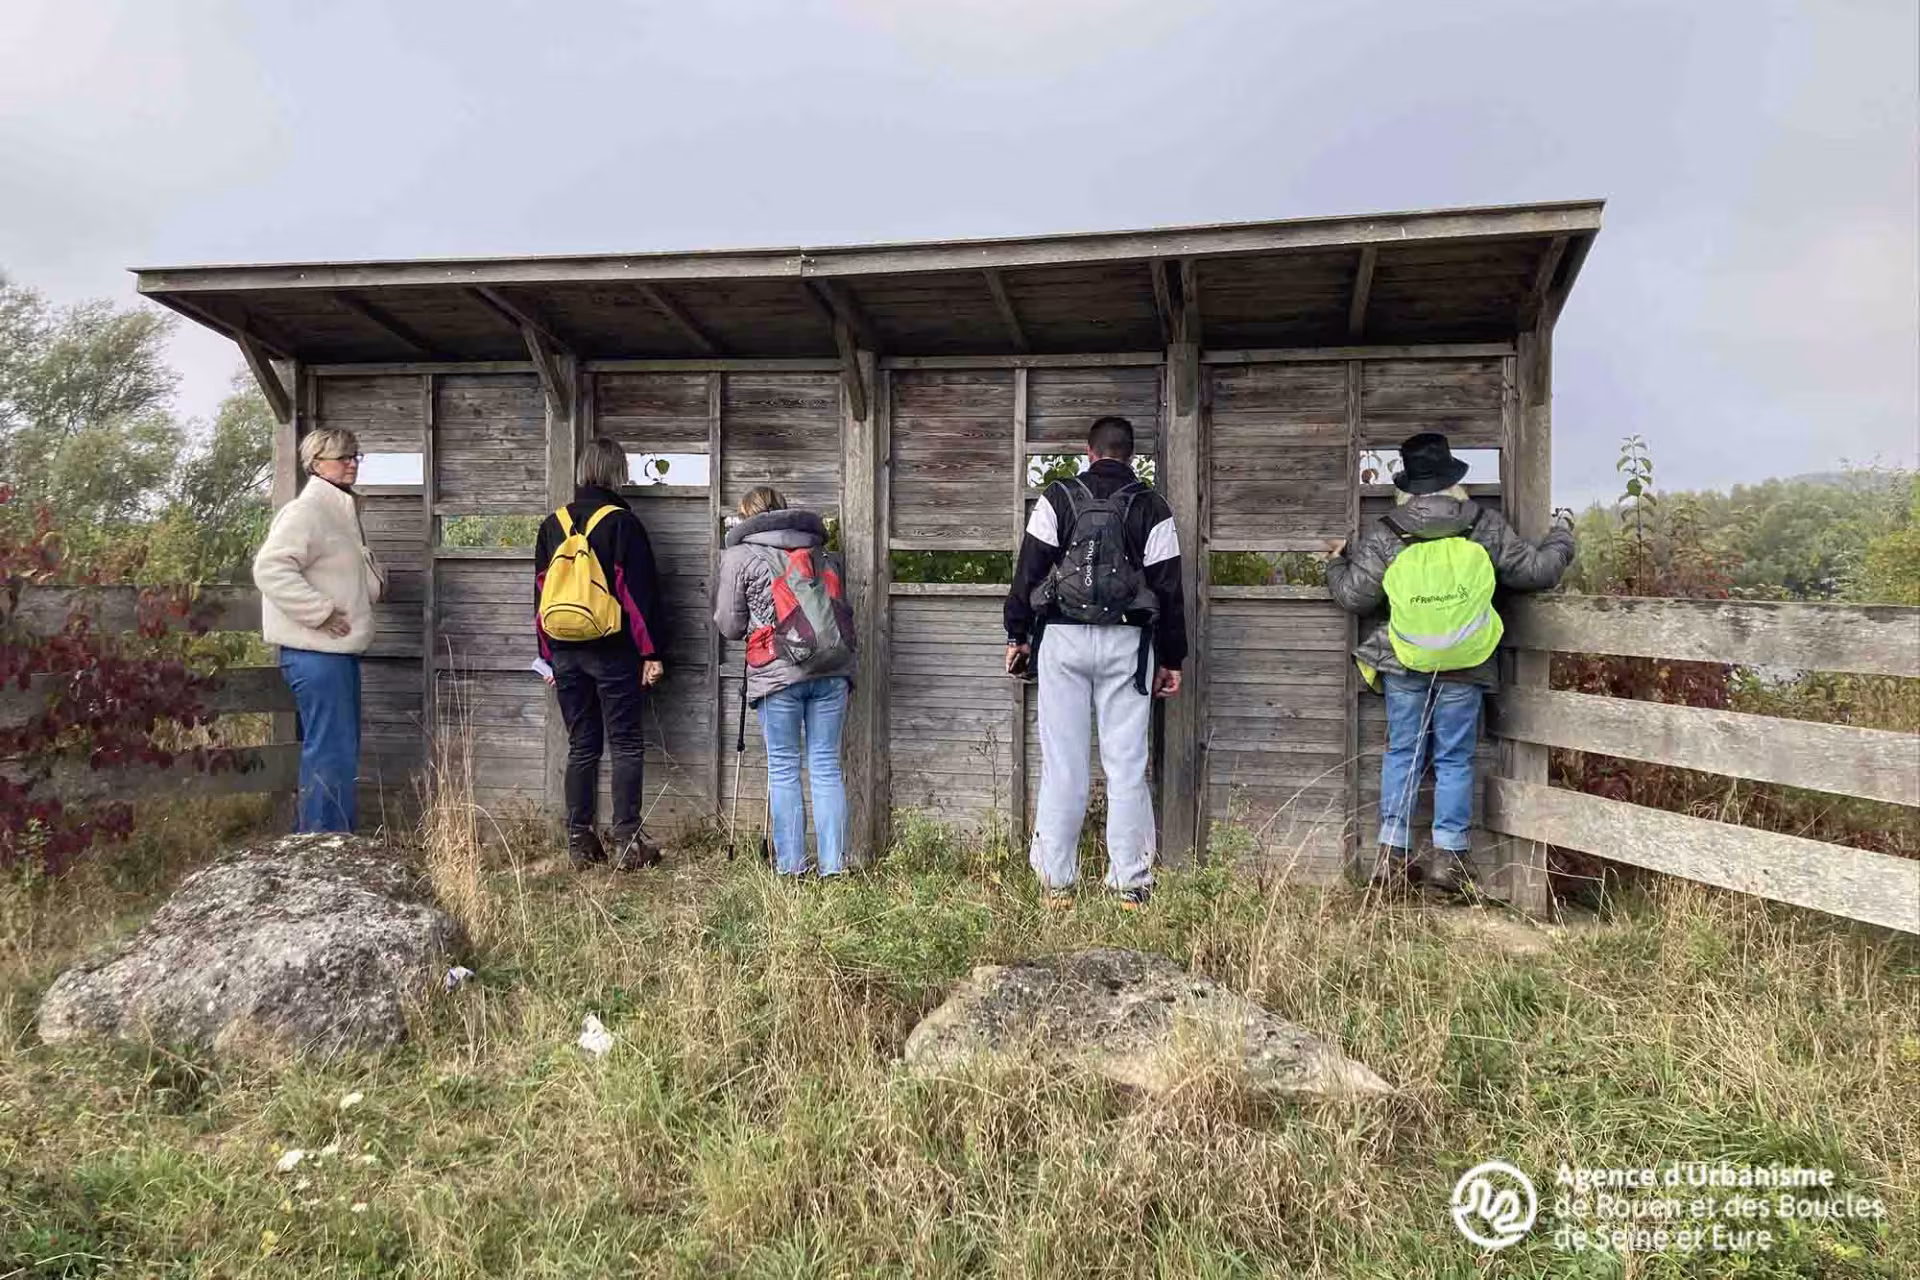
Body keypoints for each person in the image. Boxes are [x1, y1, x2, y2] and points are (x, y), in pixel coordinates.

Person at [1327, 431, 1575, 896]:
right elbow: (1537, 572)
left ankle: (1390, 858)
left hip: (1405, 660)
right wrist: (1562, 536)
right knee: (1455, 758)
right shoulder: (1481, 523)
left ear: (1408, 483)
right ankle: (1449, 859)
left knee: (1403, 752)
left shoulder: (1388, 530)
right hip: (1468, 660)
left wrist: (1334, 564)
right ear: (1453, 479)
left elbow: (1356, 597)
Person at [1005, 416, 1186, 910]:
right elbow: (1169, 590)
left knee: (1063, 764)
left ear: (1089, 453)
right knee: (1127, 764)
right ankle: (1131, 885)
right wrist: (1172, 658)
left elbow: (1029, 569)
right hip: (1129, 642)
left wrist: (1017, 634)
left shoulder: (1058, 497)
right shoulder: (1153, 505)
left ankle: (1055, 885)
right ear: (1132, 455)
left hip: (1061, 639)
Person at [534, 437, 668, 871]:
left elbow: (539, 595)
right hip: (613, 650)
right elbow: (637, 596)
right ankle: (628, 841)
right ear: (617, 473)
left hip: (564, 651)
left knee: (582, 744)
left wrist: (547, 657)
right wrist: (651, 652)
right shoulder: (622, 523)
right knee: (626, 741)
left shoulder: (552, 524)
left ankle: (580, 840)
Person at [714, 486, 857, 879]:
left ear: (747, 517)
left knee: (783, 768)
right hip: (831, 671)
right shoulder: (822, 554)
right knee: (826, 767)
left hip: (777, 675)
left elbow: (729, 625)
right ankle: (835, 866)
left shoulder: (740, 556)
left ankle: (792, 867)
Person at [253, 427, 388, 833]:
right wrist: (320, 612)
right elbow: (270, 568)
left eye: (355, 456)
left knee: (336, 751)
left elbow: (337, 572)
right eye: (342, 457)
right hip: (315, 653)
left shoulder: (339, 512)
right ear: (315, 464)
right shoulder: (307, 511)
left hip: (334, 654)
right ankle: (323, 844)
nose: (351, 464)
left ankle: (324, 842)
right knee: (330, 751)